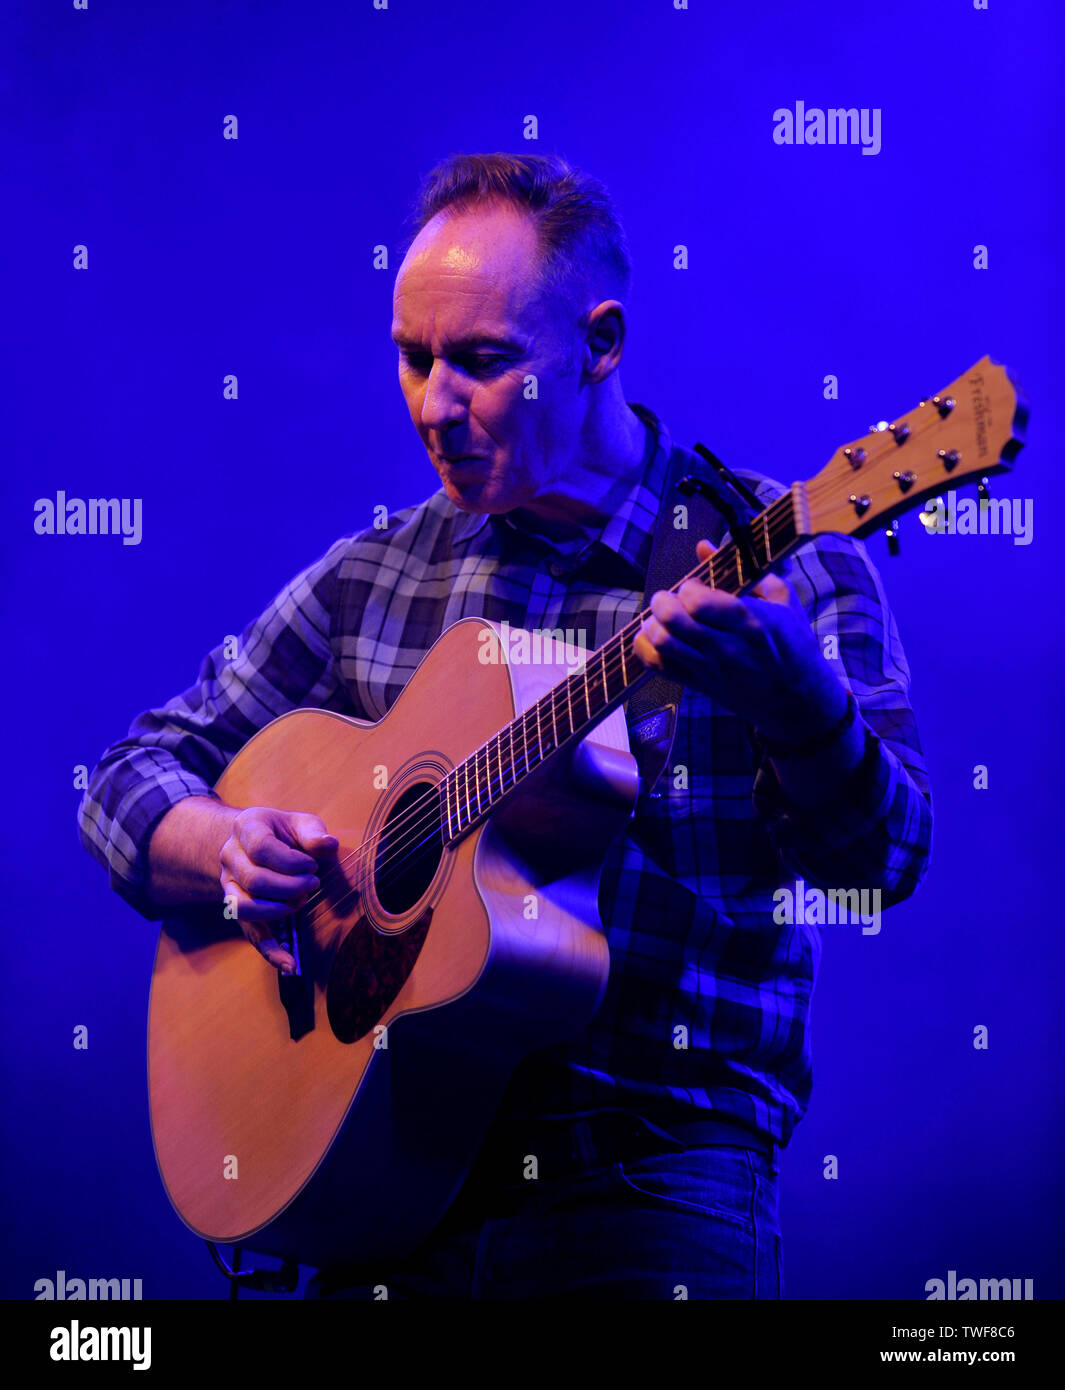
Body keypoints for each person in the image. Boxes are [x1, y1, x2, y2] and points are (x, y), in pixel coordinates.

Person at [77, 152, 932, 1300]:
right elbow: (129, 773)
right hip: (377, 1180)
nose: (435, 405)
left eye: (482, 363)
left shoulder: (785, 559)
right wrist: (222, 850)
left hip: (651, 1186)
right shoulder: (375, 574)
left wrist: (800, 703)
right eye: (412, 358)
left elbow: (881, 868)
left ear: (601, 343)